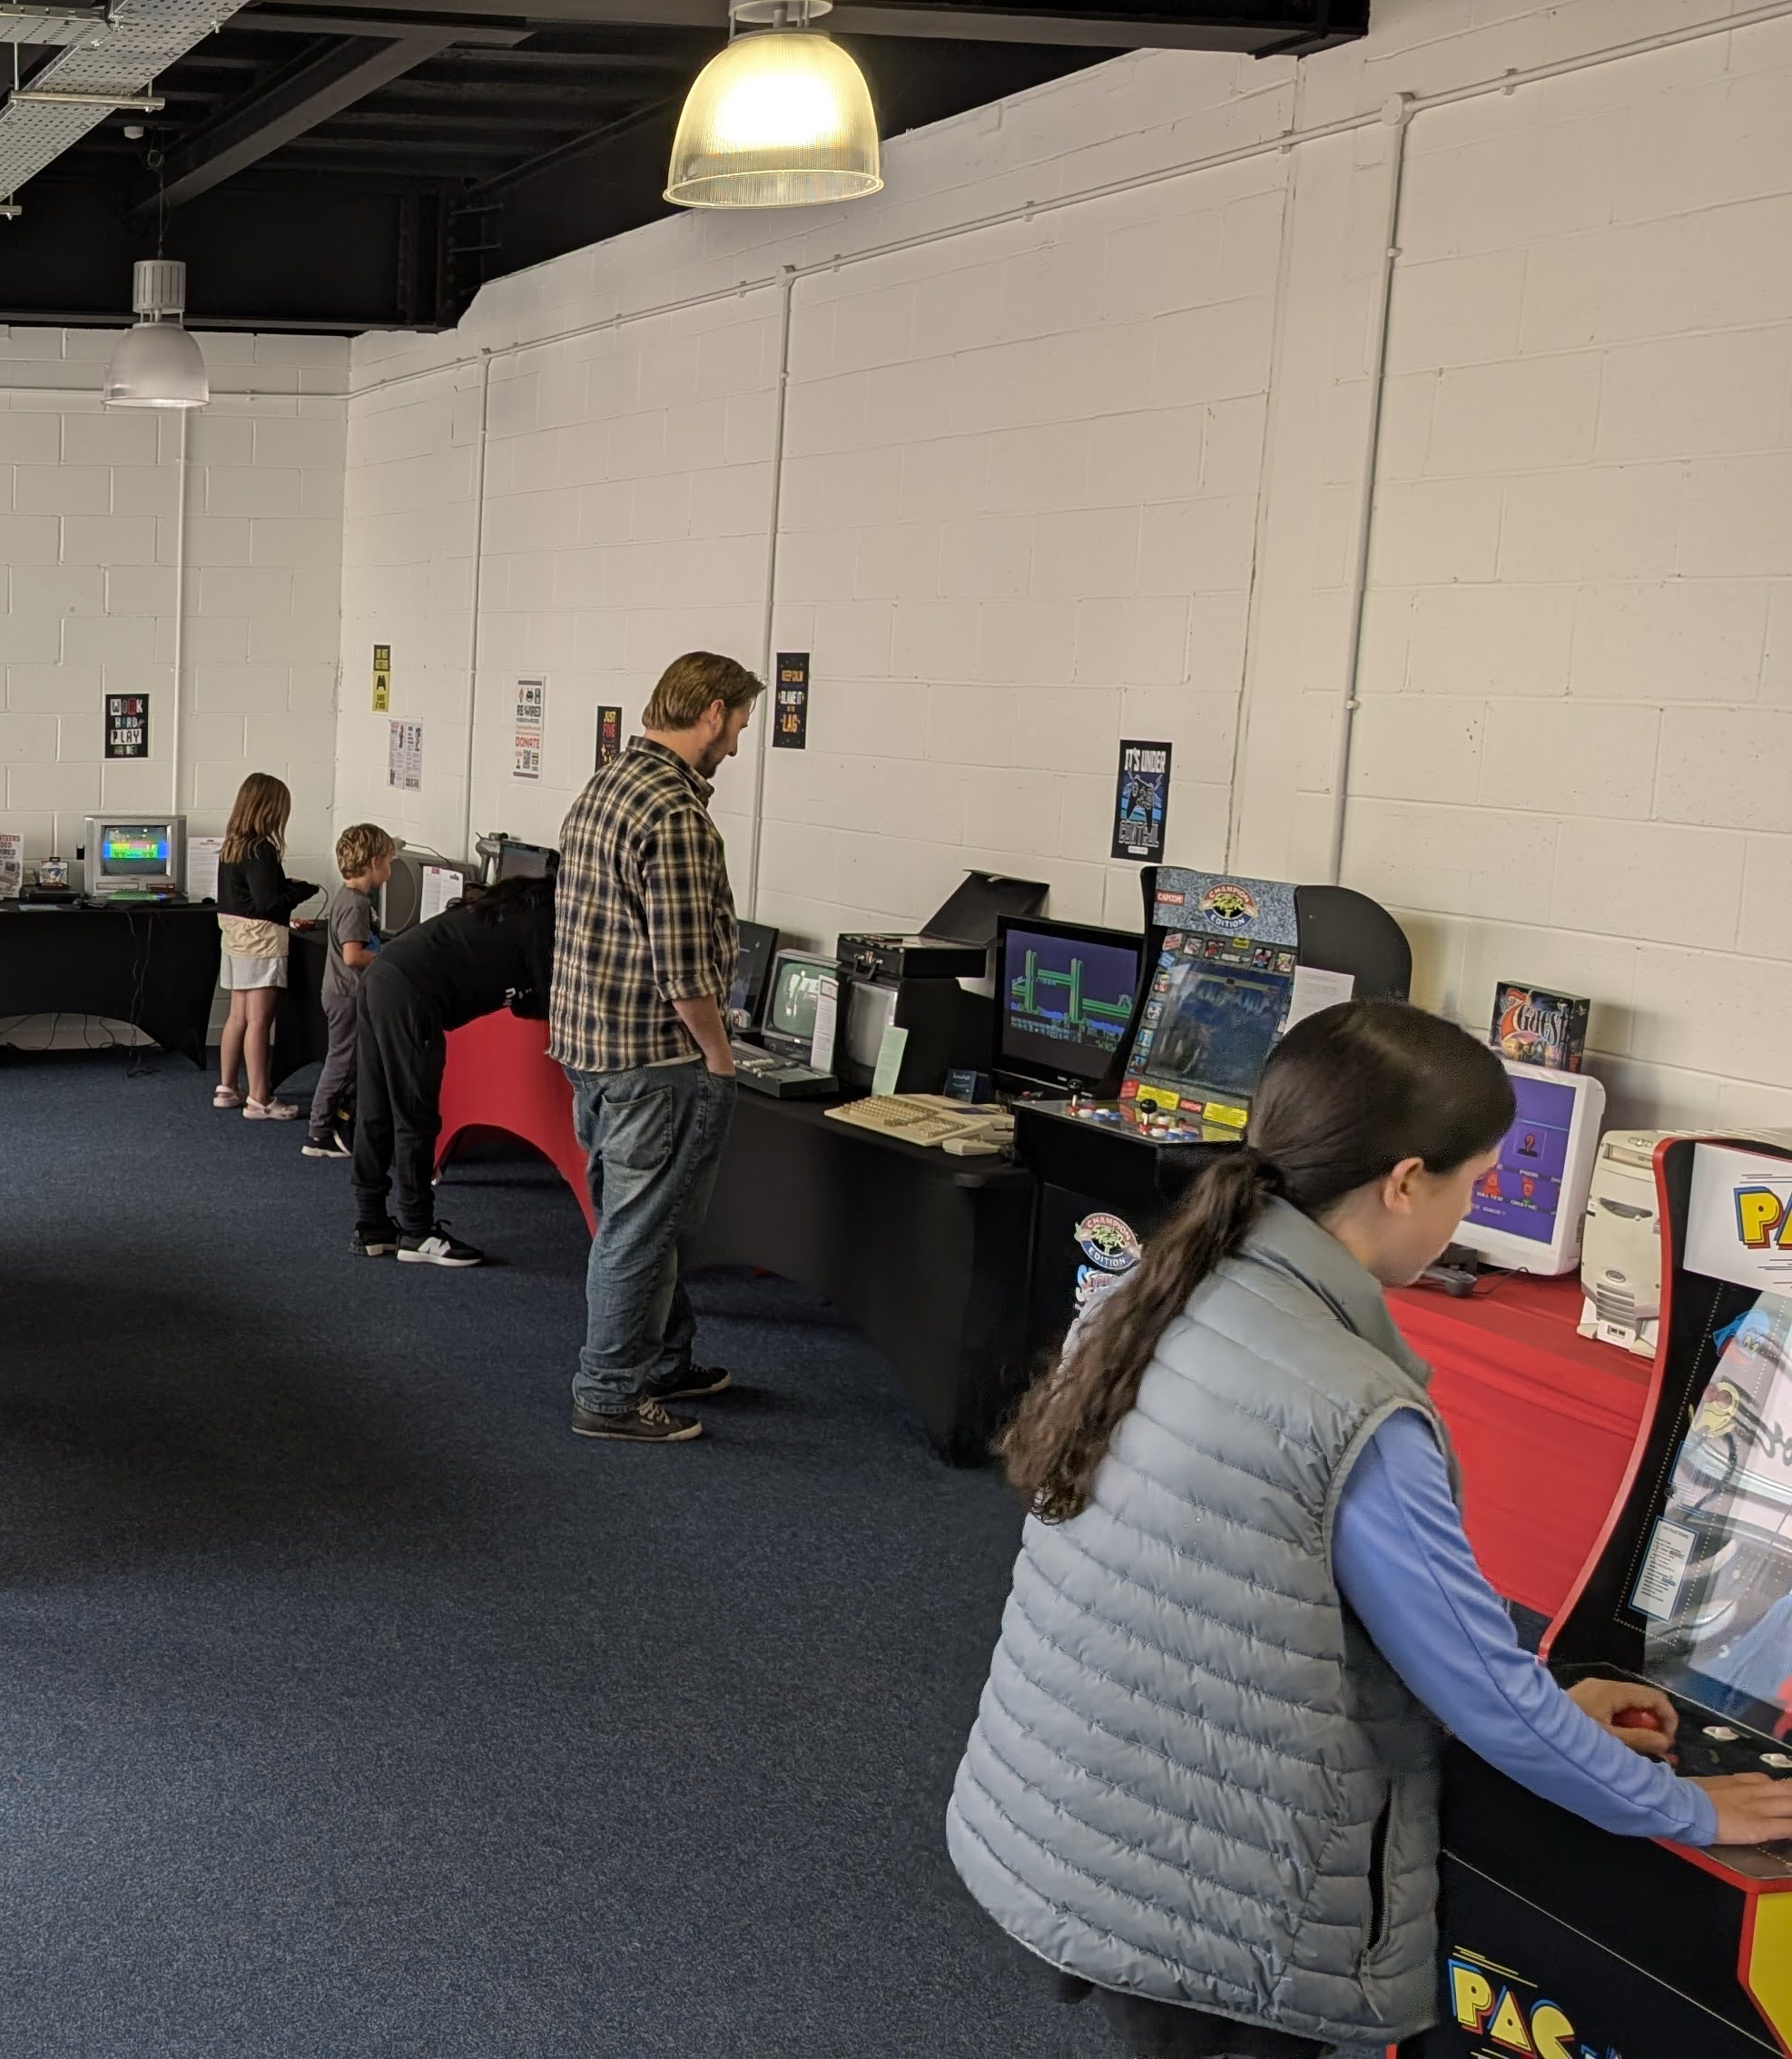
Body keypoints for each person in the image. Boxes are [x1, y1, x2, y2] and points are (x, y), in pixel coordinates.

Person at [950, 1002, 1792, 2058]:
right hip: (1209, 1891)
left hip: (1081, 1811)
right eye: (1474, 1183)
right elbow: (1484, 1690)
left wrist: (1561, 1707)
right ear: (1403, 1181)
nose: (1470, 1211)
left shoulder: (1156, 1286)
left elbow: (1258, 1606)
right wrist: (1694, 1813)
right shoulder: (1351, 1403)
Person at [549, 651, 761, 1444]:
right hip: (653, 1060)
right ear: (710, 711)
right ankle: (607, 1395)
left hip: (590, 1047)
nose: (737, 745)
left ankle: (662, 1361)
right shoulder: (674, 814)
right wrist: (719, 1058)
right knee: (640, 1231)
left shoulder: (603, 786)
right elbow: (683, 970)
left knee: (641, 1219)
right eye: (738, 725)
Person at [350, 876, 551, 1268]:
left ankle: (372, 1224)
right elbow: (551, 998)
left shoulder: (507, 910)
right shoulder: (546, 921)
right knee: (415, 1117)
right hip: (412, 994)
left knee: (375, 1109)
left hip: (384, 975)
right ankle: (417, 1231)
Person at [211, 773, 316, 1121]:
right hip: (261, 941)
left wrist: (284, 885)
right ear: (270, 809)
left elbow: (251, 893)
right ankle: (259, 1098)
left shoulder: (232, 845)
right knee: (260, 1020)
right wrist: (302, 891)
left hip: (234, 938)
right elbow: (268, 903)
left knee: (237, 1016)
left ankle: (226, 1088)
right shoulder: (261, 848)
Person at [303, 823, 398, 1160]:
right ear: (374, 862)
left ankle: (339, 1121)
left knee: (352, 1062)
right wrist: (390, 959)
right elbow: (353, 955)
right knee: (341, 1064)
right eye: (388, 861)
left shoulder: (350, 896)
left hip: (344, 992)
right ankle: (318, 1134)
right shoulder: (356, 903)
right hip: (346, 994)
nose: (390, 870)